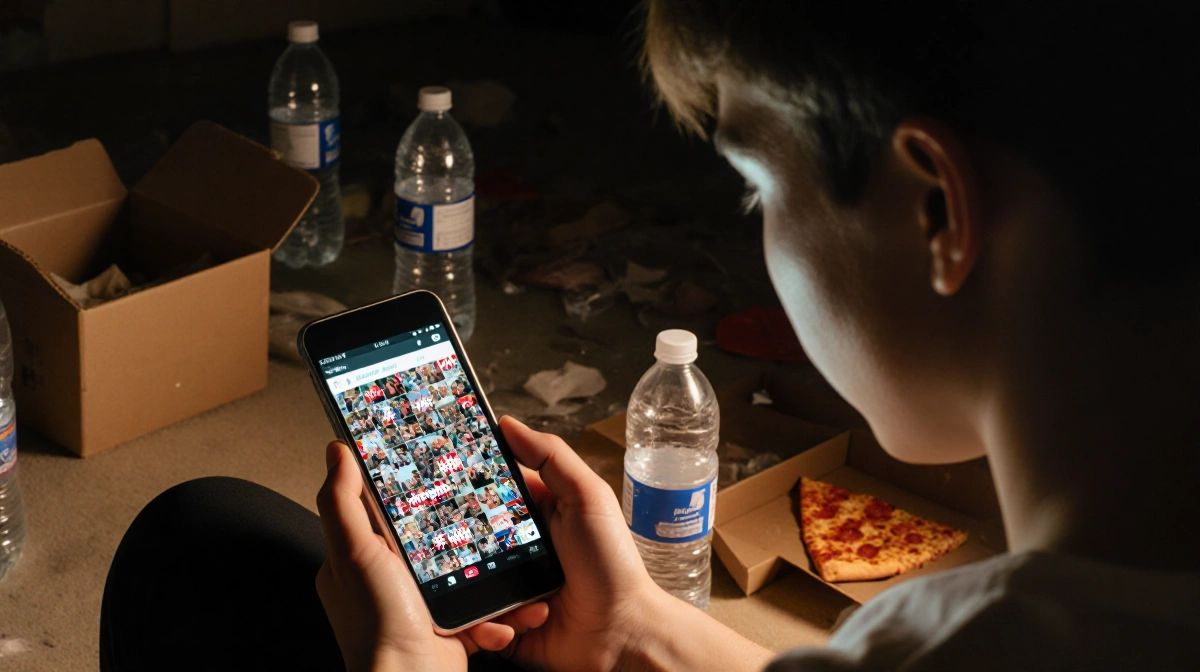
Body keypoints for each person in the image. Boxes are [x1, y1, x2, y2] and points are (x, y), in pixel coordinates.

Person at [100, 2, 1199, 670]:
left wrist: (399, 665)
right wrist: (635, 631)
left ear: (936, 213)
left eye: (759, 187)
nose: (765, 231)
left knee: (202, 550)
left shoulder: (975, 646)